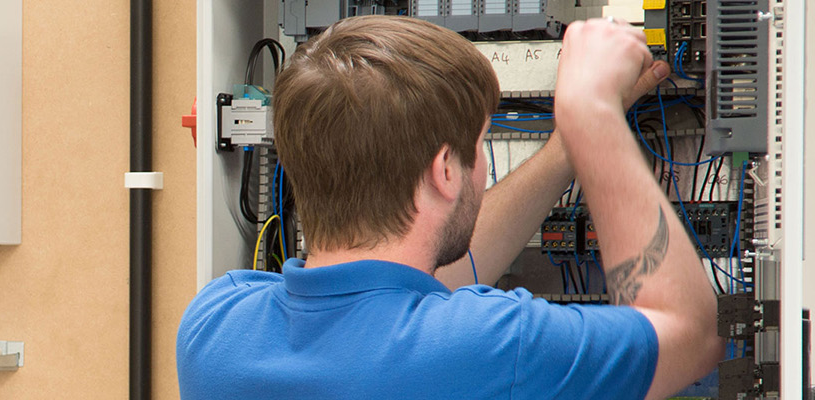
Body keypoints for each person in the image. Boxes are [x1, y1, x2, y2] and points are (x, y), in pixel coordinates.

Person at [175, 15, 720, 400]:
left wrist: (565, 151)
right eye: (480, 145)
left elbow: (402, 293)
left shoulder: (215, 327)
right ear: (445, 171)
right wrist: (591, 115)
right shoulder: (495, 344)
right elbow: (691, 335)